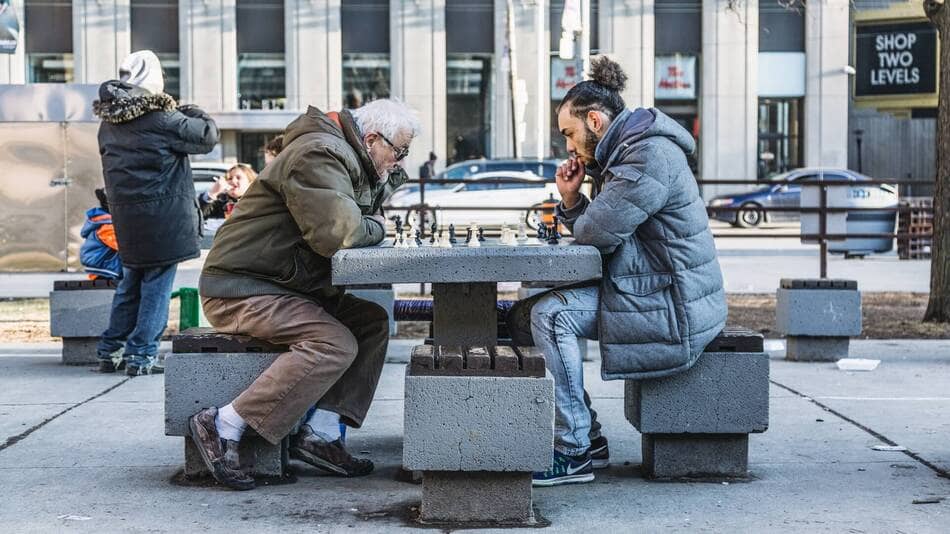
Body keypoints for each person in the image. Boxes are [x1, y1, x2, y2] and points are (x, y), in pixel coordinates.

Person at [507, 56, 727, 487]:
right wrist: (573, 197)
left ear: (594, 120)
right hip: (653, 287)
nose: (569, 147)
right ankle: (588, 437)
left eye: (570, 134)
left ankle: (572, 451)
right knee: (521, 316)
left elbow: (595, 234)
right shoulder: (626, 151)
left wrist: (573, 202)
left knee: (550, 316)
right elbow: (604, 231)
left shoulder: (647, 155)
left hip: (672, 303)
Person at [190, 99, 419, 490]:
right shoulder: (320, 152)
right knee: (333, 343)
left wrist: (382, 183)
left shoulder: (346, 156)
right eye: (398, 152)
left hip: (284, 284)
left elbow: (351, 217)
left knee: (371, 323)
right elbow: (339, 234)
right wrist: (378, 226)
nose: (400, 161)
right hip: (241, 288)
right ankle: (224, 423)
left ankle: (322, 433)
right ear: (370, 138)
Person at [93, 50, 219, 376]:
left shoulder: (109, 125)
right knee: (156, 290)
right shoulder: (163, 119)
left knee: (130, 285)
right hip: (163, 221)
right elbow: (206, 136)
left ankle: (109, 350)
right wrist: (190, 110)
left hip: (128, 221)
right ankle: (141, 355)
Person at [79, 188, 122, 280]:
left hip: (106, 267)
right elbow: (122, 246)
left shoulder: (108, 223)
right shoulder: (107, 226)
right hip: (104, 270)